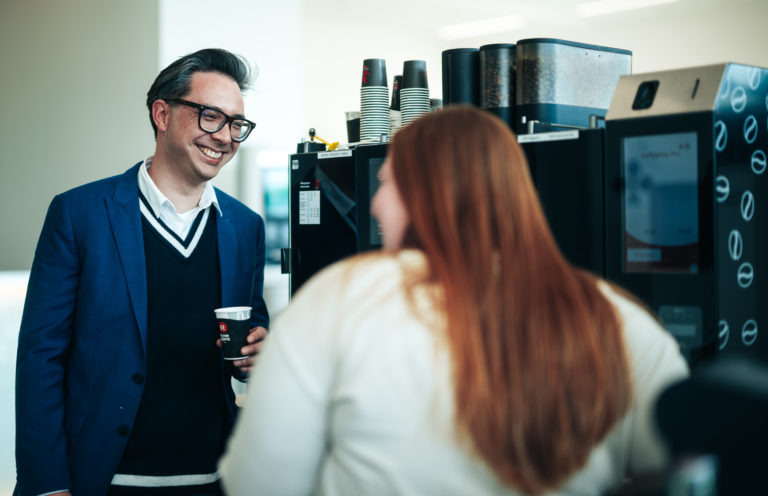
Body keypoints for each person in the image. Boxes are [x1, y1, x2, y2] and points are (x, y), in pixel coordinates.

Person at [219, 106, 689, 495]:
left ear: (427, 195)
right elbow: (683, 474)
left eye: (385, 183)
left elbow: (258, 483)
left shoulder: (338, 296)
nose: (376, 204)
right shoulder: (616, 318)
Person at [15, 48, 269, 496]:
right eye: (211, 116)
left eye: (236, 124)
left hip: (214, 476)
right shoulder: (80, 214)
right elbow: (41, 357)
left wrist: (257, 352)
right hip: (104, 478)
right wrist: (47, 483)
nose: (225, 136)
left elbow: (252, 325)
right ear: (162, 114)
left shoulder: (244, 227)